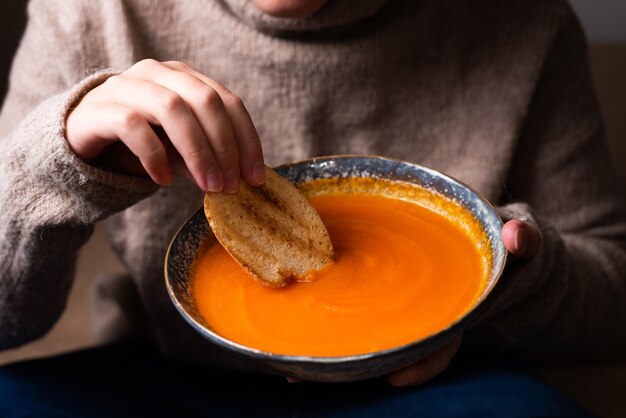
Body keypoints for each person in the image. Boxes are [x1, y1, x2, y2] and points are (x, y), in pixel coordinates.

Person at [0, 0, 623, 416]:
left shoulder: (524, 22)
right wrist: (54, 168)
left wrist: (513, 279)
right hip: (173, 377)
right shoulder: (86, 12)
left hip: (436, 388)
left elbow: (612, 303)